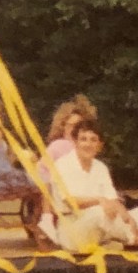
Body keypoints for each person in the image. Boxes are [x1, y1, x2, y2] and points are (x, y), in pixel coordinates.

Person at [52, 119, 138, 252]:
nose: (88, 144)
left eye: (93, 140)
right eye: (83, 139)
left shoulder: (101, 167)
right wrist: (99, 200)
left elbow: (113, 201)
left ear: (99, 145)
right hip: (74, 231)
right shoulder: (62, 165)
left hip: (104, 226)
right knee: (99, 211)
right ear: (75, 142)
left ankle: (121, 238)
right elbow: (70, 202)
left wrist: (128, 219)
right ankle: (130, 238)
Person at [37, 95, 98, 243]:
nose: (72, 129)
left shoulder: (83, 146)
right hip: (57, 181)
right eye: (69, 125)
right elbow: (43, 166)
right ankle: (47, 217)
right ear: (62, 126)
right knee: (50, 182)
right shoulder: (59, 145)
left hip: (77, 181)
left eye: (76, 126)